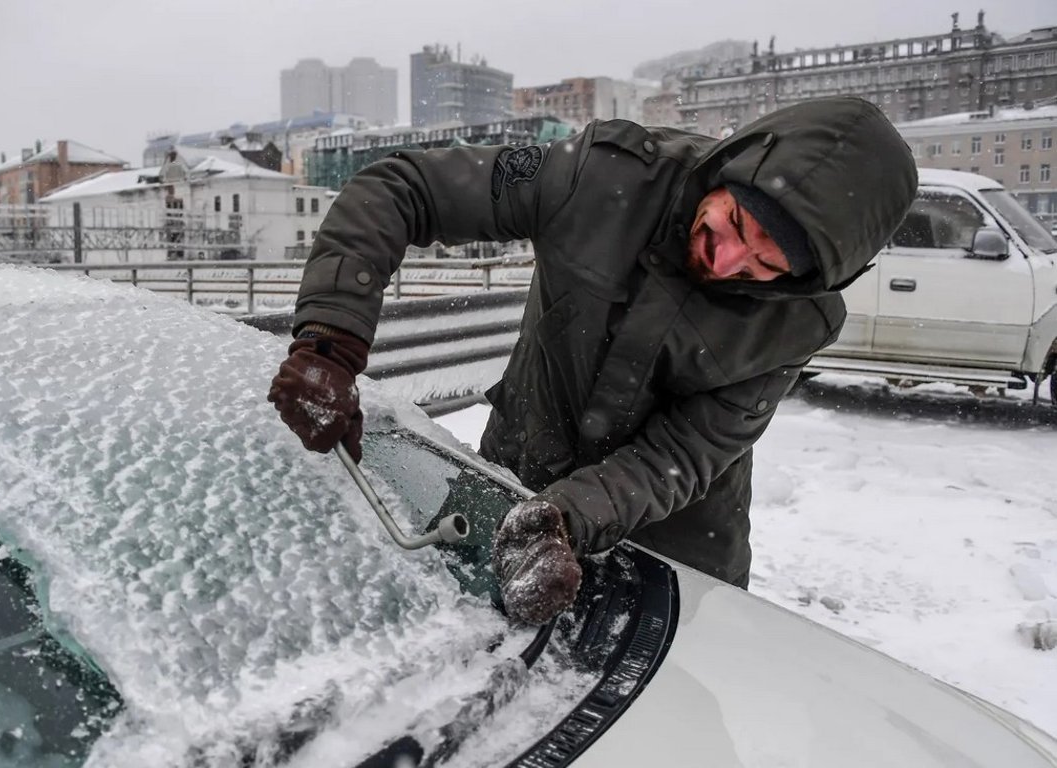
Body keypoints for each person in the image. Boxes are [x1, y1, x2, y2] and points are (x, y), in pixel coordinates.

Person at [268, 96, 916, 625]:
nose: (726, 263)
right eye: (735, 225)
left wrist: (564, 521)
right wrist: (330, 340)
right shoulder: (604, 175)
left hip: (677, 554)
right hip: (513, 479)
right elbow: (403, 188)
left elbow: (686, 453)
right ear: (734, 169)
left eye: (766, 264)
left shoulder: (796, 322)